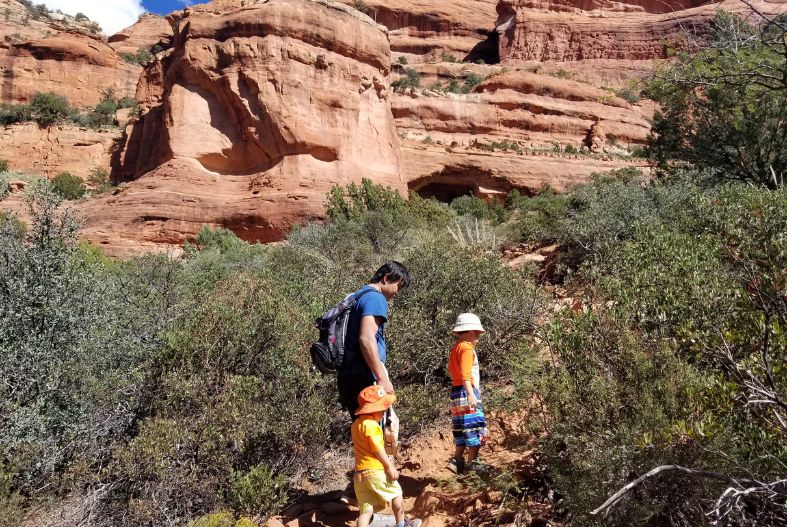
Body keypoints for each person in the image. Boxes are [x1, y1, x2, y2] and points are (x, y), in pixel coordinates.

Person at [337, 261, 411, 418]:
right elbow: (366, 338)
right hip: (365, 376)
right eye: (398, 286)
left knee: (363, 428)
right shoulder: (375, 298)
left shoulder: (357, 296)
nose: (397, 292)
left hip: (348, 375)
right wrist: (382, 377)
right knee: (374, 429)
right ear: (386, 278)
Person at [352, 385, 421, 527]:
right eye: (383, 410)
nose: (384, 413)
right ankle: (401, 524)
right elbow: (377, 448)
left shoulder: (356, 425)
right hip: (375, 471)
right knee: (397, 494)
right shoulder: (372, 425)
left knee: (366, 510)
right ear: (375, 409)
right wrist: (389, 466)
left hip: (359, 475)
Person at [447, 313, 488, 475]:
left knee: (461, 427)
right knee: (474, 426)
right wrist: (471, 394)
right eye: (477, 332)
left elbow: (451, 371)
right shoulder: (466, 348)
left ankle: (457, 461)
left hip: (456, 392)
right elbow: (465, 374)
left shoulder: (456, 347)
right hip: (466, 391)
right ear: (470, 331)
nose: (478, 336)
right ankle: (472, 464)